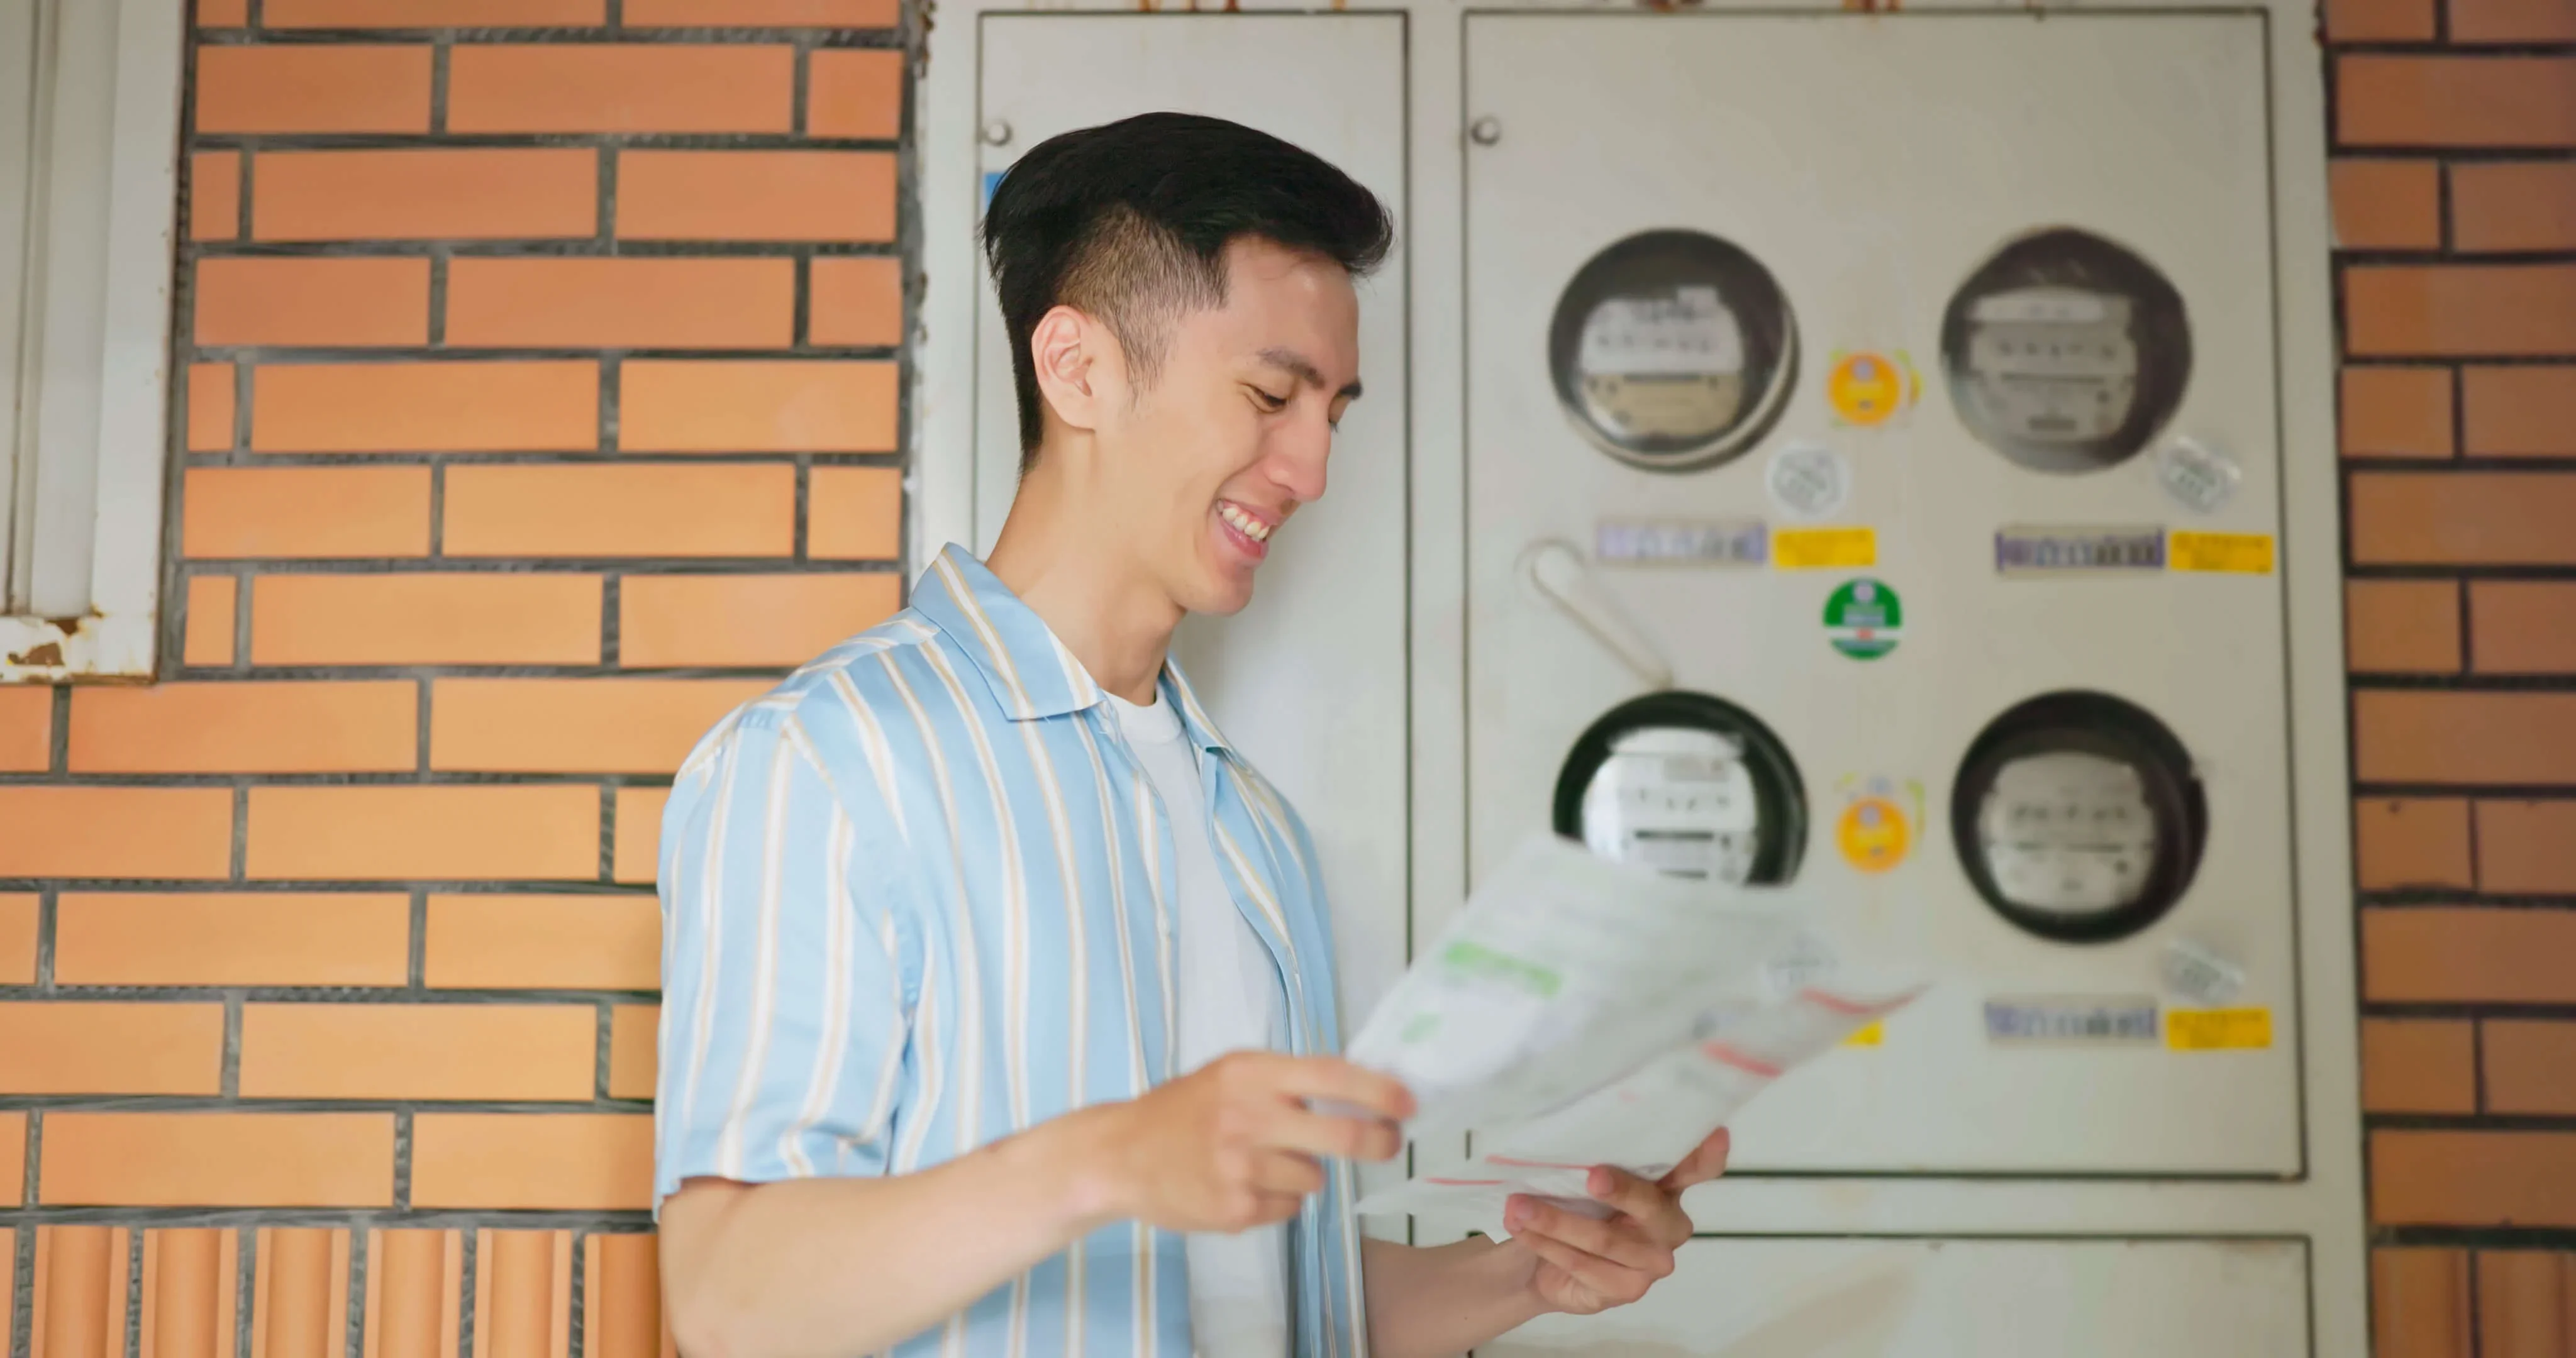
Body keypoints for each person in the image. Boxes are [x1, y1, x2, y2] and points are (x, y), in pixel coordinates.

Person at [649, 111, 1733, 1358]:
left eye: (1335, 410)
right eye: (1271, 396)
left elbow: (1270, 1297)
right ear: (1078, 370)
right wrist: (1109, 1159)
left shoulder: (1250, 826)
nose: (1312, 466)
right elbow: (730, 1301)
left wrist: (1526, 1278)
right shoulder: (826, 766)